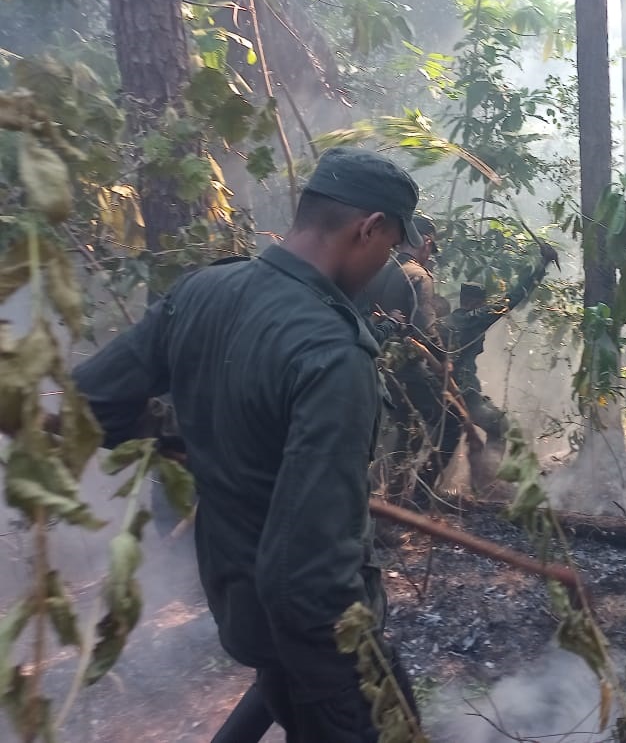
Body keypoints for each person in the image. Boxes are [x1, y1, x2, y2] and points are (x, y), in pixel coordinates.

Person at [72, 146, 425, 742]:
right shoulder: (334, 355)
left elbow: (90, 408)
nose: (386, 261)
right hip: (315, 638)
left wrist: (185, 430)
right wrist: (352, 683)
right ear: (370, 229)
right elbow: (307, 573)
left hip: (239, 604)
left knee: (281, 690)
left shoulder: (202, 291)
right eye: (391, 246)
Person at [360, 215, 463, 504]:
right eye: (431, 247)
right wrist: (443, 359)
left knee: (409, 429)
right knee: (452, 421)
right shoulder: (419, 275)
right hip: (408, 365)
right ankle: (420, 498)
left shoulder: (379, 269)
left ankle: (393, 503)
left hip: (379, 363)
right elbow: (424, 327)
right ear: (426, 242)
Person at [438, 240, 558, 451]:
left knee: (445, 439)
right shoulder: (475, 318)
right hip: (462, 390)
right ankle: (489, 477)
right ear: (476, 303)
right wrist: (542, 264)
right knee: (500, 426)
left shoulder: (446, 321)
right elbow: (512, 298)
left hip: (438, 389)